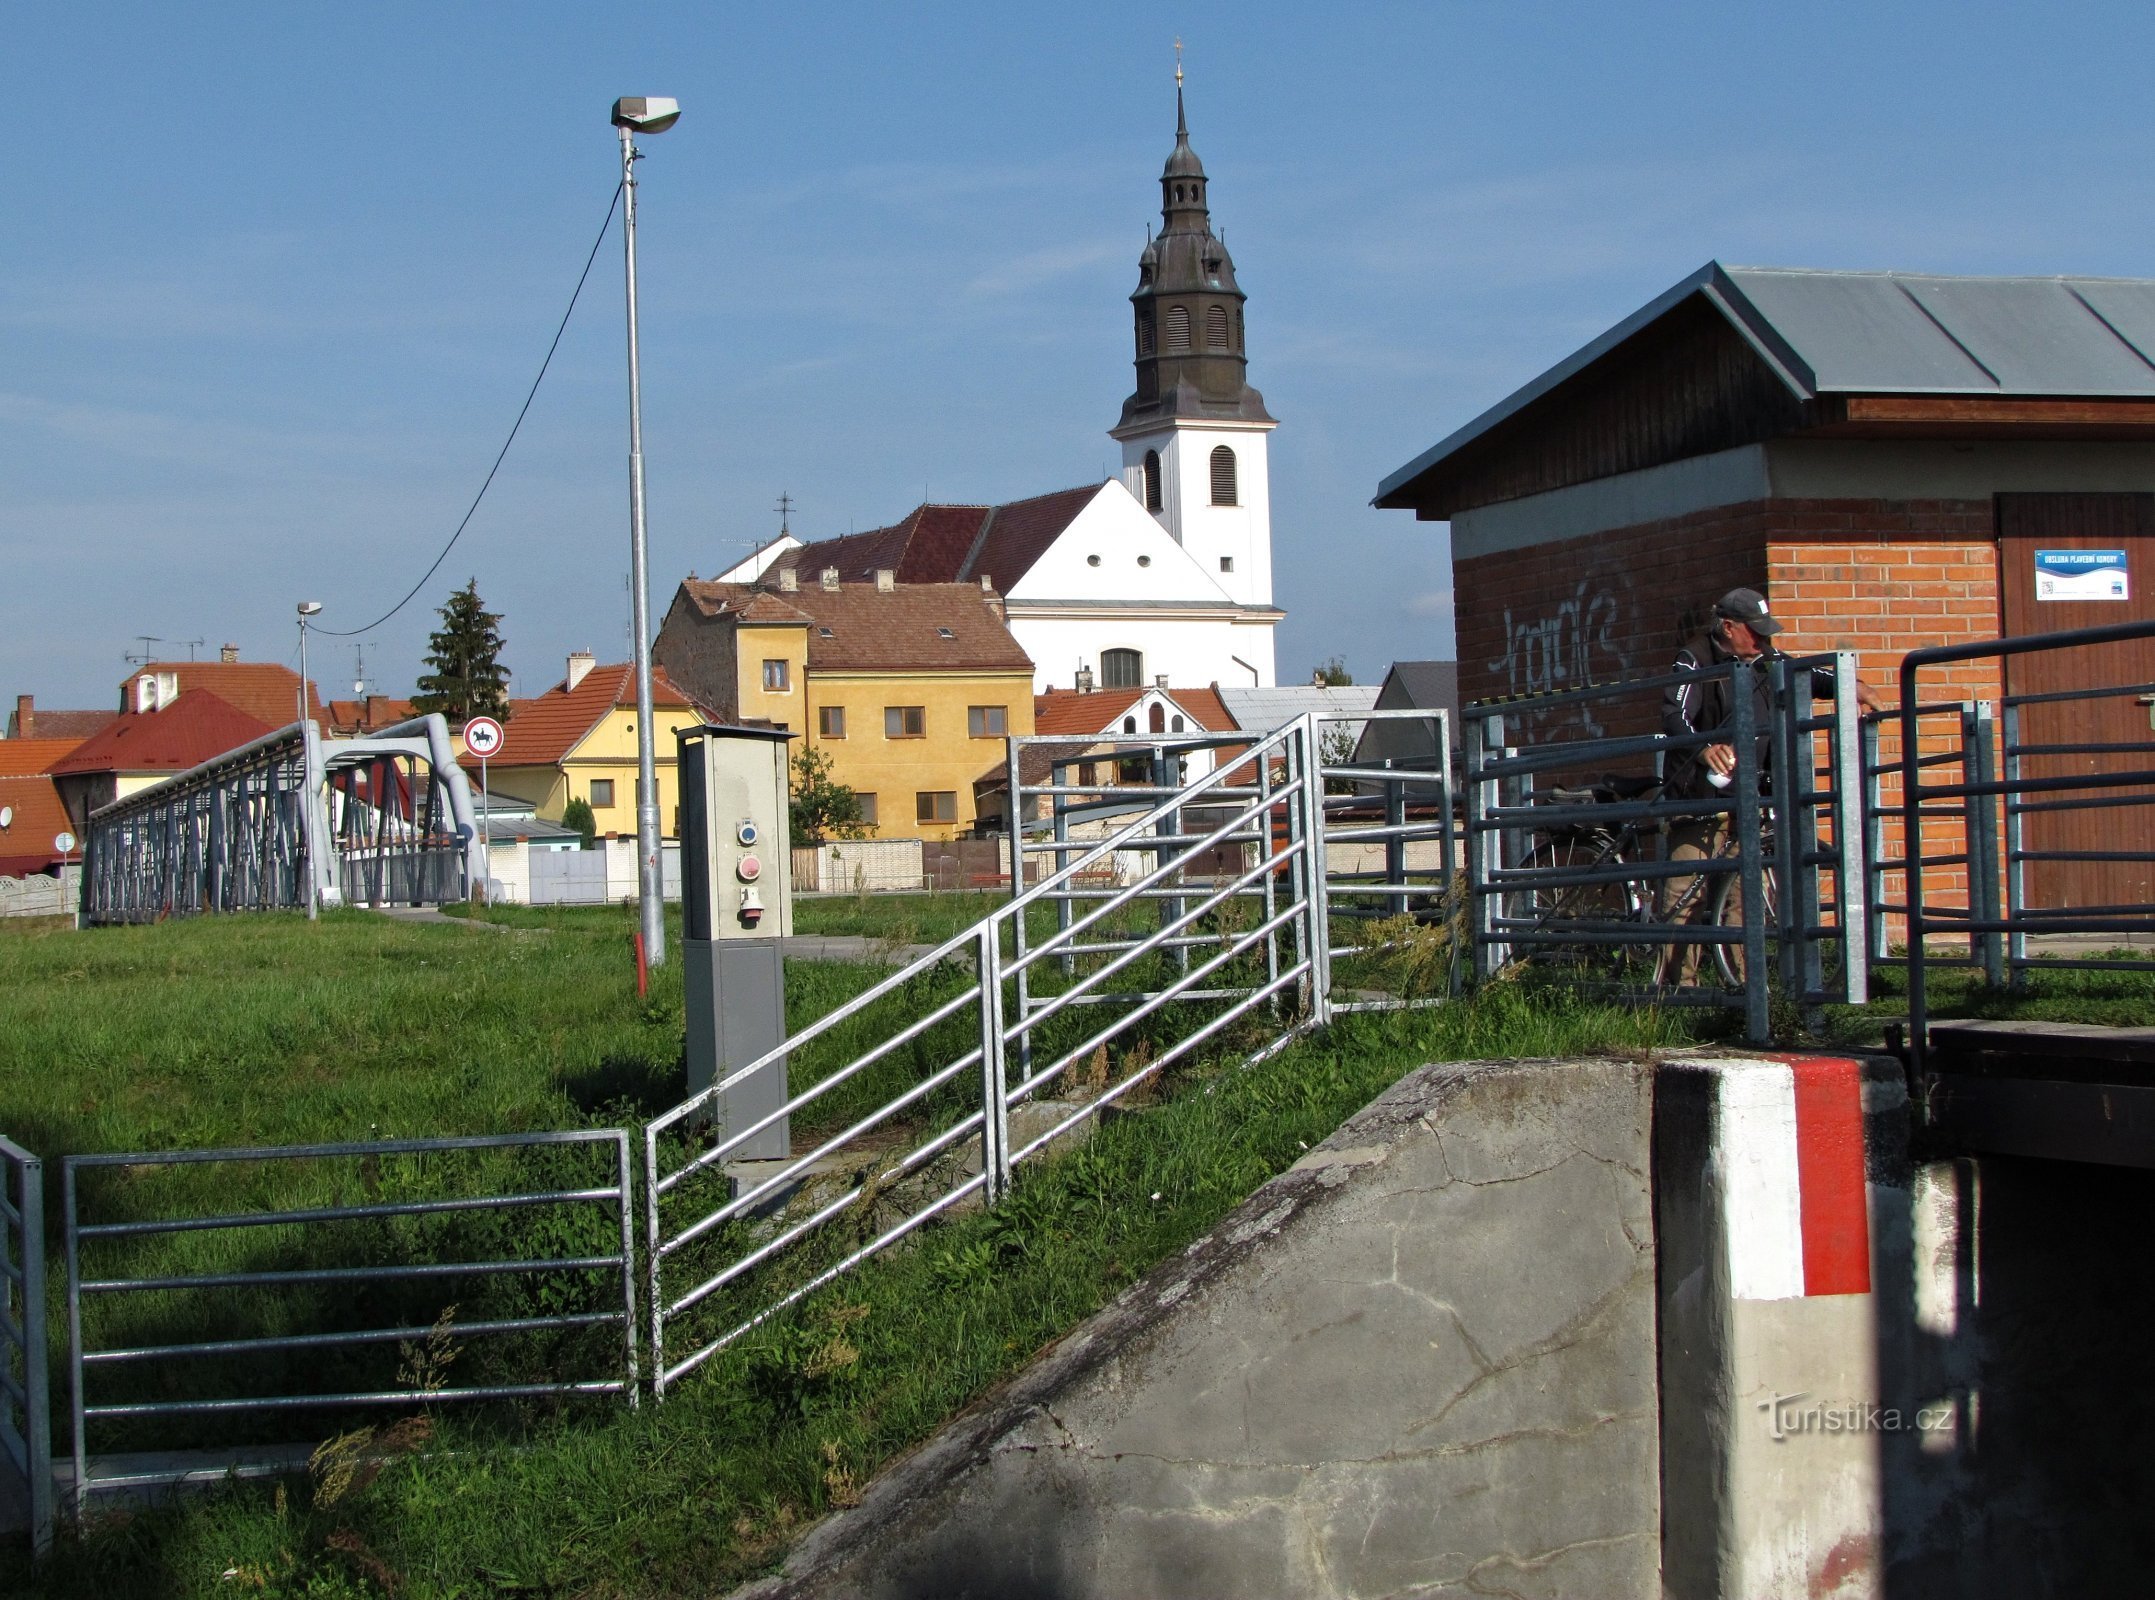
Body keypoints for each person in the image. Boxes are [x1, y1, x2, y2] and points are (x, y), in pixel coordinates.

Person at [1657, 587, 1879, 981]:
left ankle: (1746, 988)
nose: (1763, 641)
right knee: (1685, 896)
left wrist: (1855, 687)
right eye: (1755, 632)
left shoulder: (1768, 659)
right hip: (1701, 796)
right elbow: (1674, 711)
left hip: (1753, 796)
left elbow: (1808, 675)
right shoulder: (1694, 658)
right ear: (1728, 627)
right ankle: (1677, 993)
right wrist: (1703, 747)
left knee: (1748, 897)